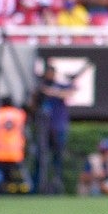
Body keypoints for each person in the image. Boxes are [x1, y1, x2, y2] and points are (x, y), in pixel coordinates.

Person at [33, 63, 74, 194]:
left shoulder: (58, 86)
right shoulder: (40, 87)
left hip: (58, 126)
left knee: (58, 158)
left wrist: (52, 92)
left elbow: (69, 93)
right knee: (41, 158)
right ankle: (39, 187)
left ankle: (57, 186)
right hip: (44, 128)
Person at [0, 97, 31, 193]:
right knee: (15, 176)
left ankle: (0, 191)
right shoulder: (19, 114)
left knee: (0, 176)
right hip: (15, 151)